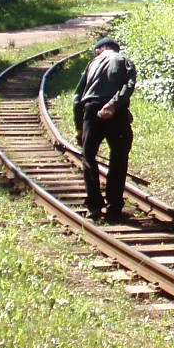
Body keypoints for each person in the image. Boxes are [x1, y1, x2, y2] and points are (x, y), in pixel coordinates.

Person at [72, 36, 137, 221]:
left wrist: (80, 128)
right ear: (116, 49)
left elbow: (77, 98)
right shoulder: (125, 61)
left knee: (88, 157)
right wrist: (113, 105)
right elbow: (129, 85)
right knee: (119, 156)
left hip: (91, 109)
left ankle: (94, 206)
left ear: (98, 50)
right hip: (117, 112)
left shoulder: (92, 63)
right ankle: (114, 207)